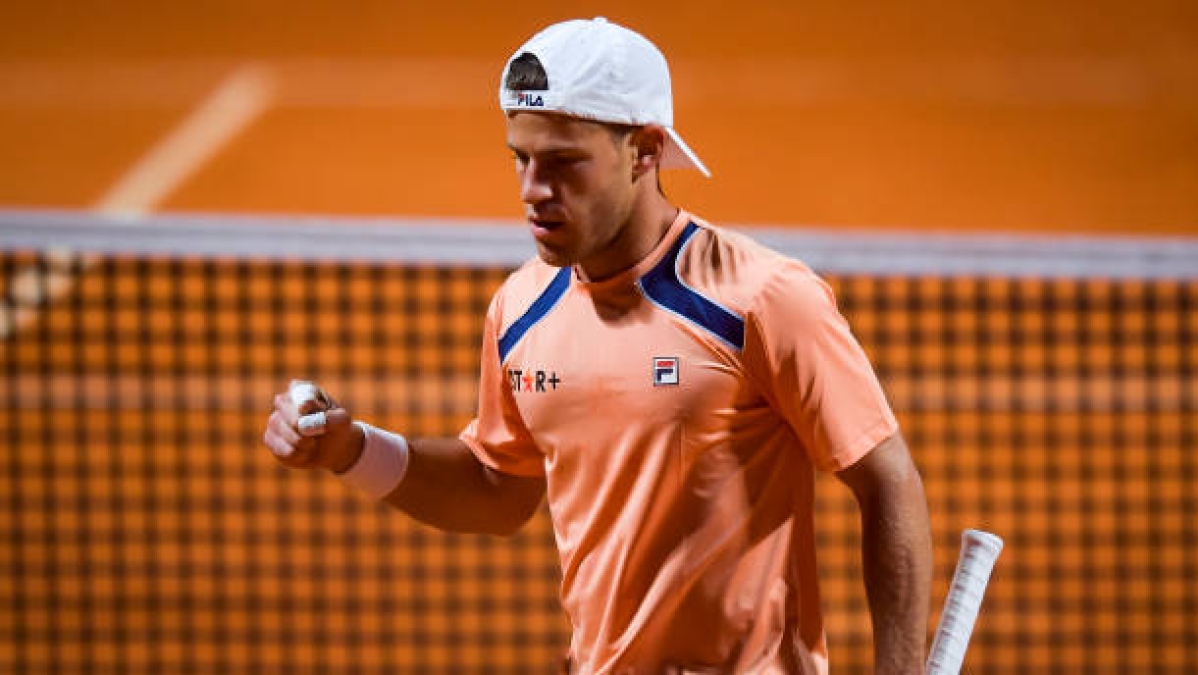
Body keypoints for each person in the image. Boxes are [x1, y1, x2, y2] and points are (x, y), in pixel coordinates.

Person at [263, 17, 932, 675]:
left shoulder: (760, 298)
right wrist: (350, 450)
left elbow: (886, 478)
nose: (532, 191)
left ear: (644, 149)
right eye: (520, 159)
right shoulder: (520, 311)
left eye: (562, 164)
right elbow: (497, 488)